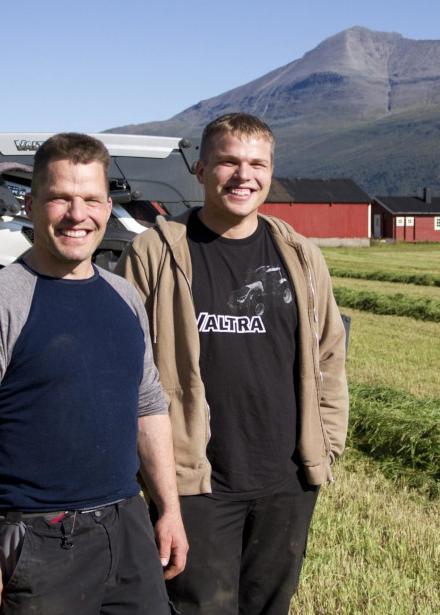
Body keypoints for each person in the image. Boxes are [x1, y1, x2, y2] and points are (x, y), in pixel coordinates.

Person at [0, 132, 187, 614]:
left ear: (108, 207)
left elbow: (148, 407)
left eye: (90, 199)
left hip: (128, 524)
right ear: (30, 205)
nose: (77, 214)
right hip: (40, 538)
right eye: (60, 199)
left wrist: (169, 509)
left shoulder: (124, 297)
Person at [116, 113, 348, 615]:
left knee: (270, 606)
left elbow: (329, 353)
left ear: (270, 172)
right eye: (228, 162)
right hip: (195, 480)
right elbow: (126, 368)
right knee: (199, 606)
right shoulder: (155, 251)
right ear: (200, 169)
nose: (244, 175)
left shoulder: (300, 254)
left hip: (287, 479)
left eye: (256, 164)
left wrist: (326, 447)